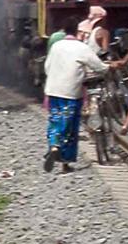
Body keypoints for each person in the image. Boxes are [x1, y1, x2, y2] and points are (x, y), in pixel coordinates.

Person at [44, 18, 110, 173]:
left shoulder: (56, 46)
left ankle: (54, 145)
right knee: (70, 127)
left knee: (55, 120)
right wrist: (109, 67)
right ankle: (65, 163)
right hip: (71, 92)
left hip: (53, 90)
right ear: (77, 32)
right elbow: (99, 66)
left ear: (63, 31)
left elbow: (47, 67)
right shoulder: (81, 48)